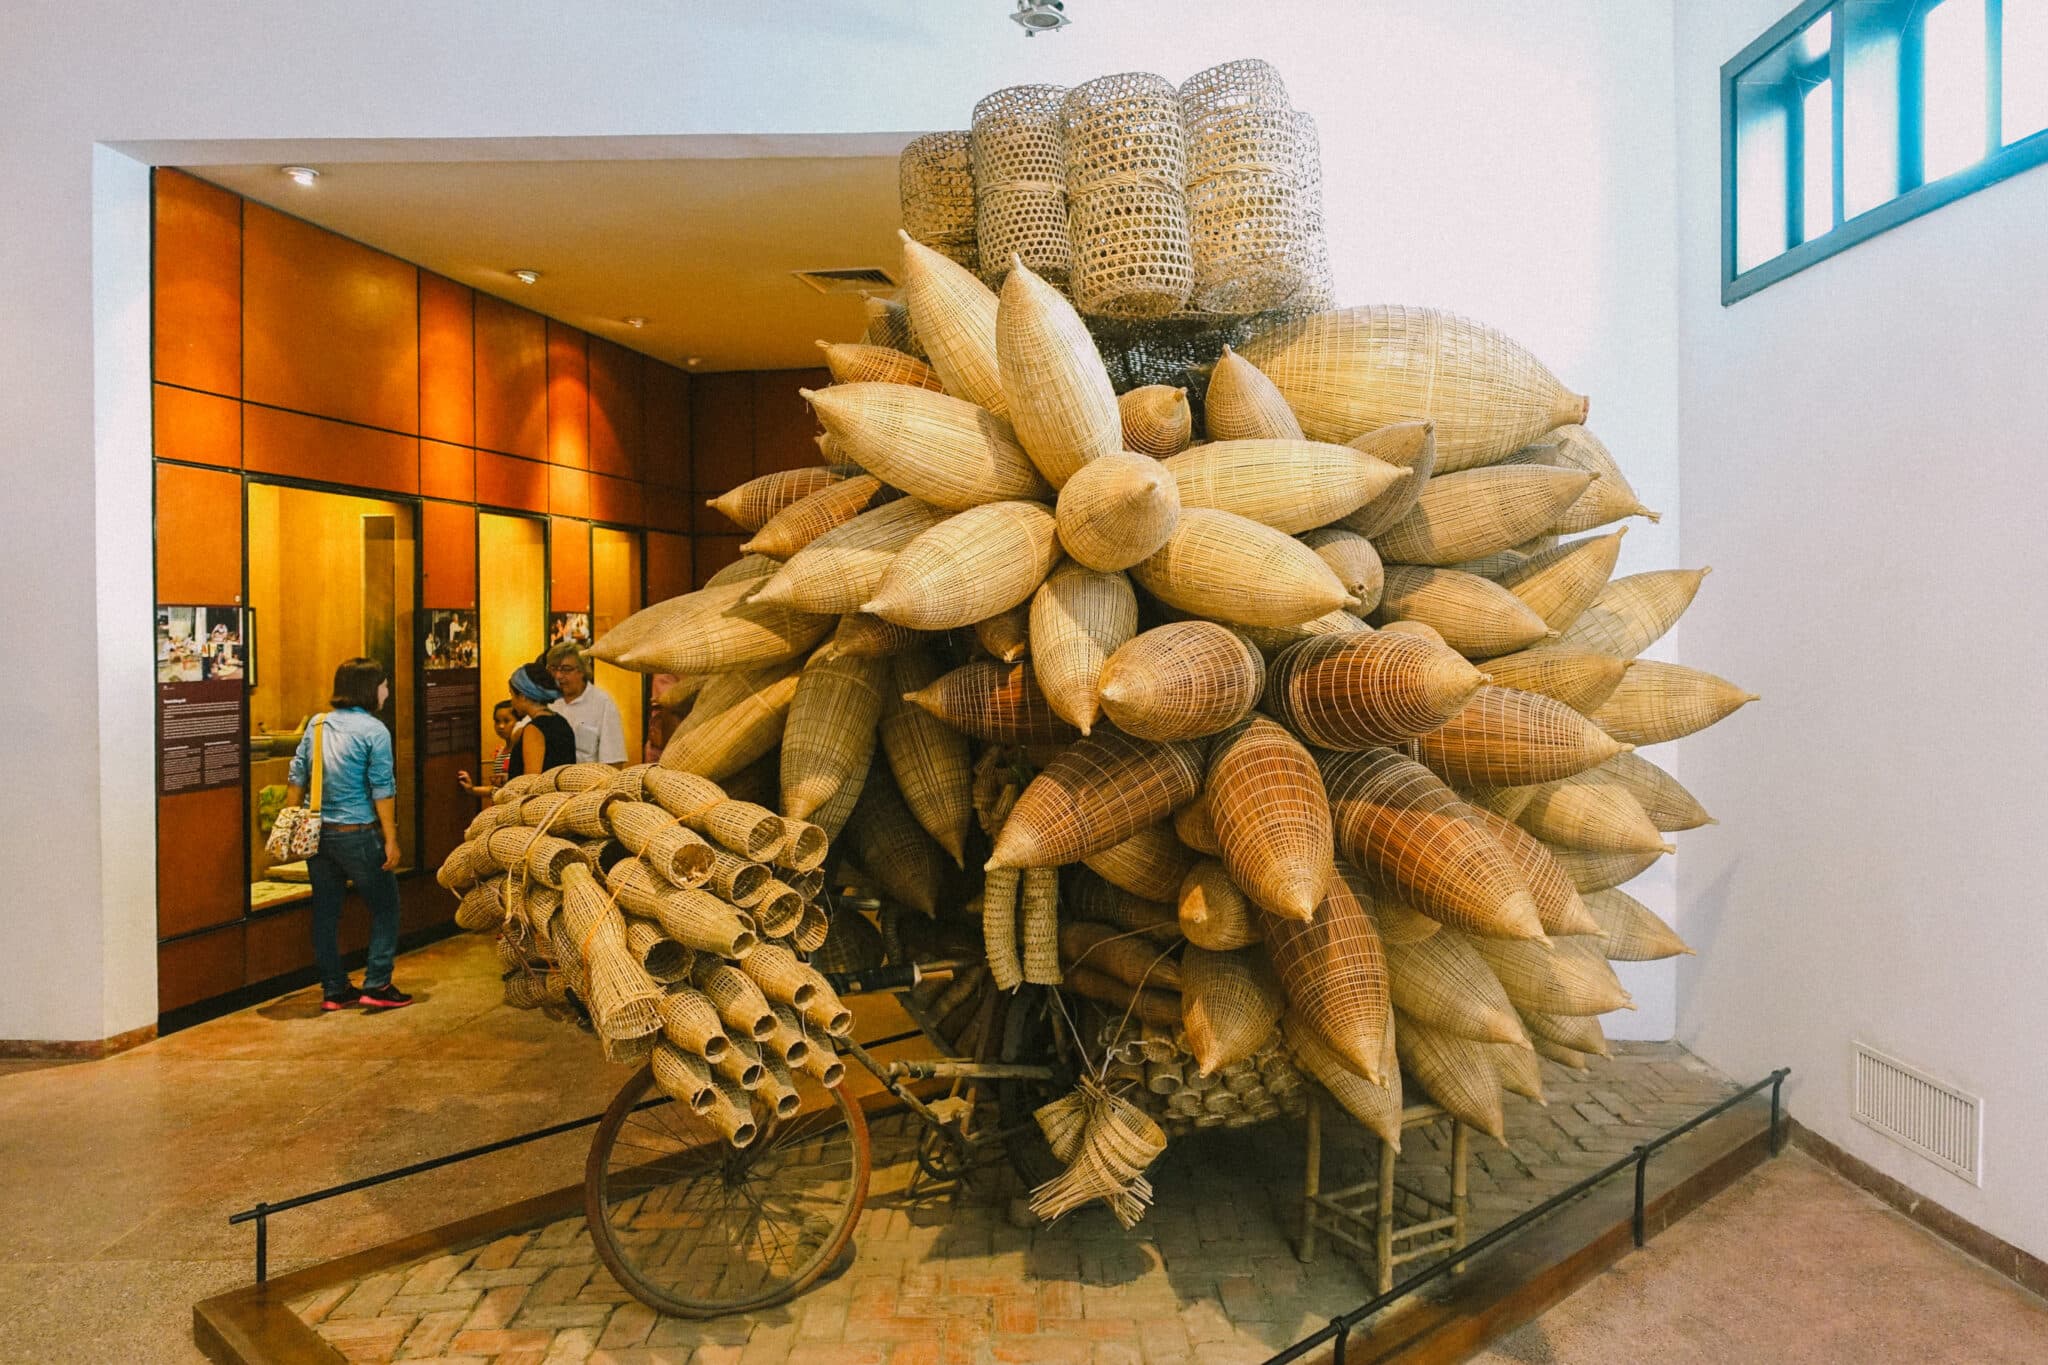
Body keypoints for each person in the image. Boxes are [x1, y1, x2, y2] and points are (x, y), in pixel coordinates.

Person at [284, 657, 410, 1012]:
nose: (387, 690)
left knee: (326, 912)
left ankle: (335, 989)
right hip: (358, 832)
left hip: (318, 836)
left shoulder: (317, 723)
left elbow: (297, 774)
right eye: (384, 684)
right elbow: (382, 788)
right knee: (386, 907)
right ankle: (378, 983)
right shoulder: (374, 730)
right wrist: (391, 837)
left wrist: (293, 820)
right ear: (370, 688)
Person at [547, 642, 627, 767]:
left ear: (582, 670)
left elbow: (614, 761)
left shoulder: (602, 703)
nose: (558, 676)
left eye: (566, 669)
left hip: (587, 783)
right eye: (554, 669)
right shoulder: (548, 702)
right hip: (549, 782)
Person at [505, 662, 577, 779]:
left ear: (523, 696)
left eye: (512, 695)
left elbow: (531, 780)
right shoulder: (561, 721)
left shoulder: (534, 729)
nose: (511, 702)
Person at [456, 700, 519, 800]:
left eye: (507, 721)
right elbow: (496, 789)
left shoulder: (521, 751)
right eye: (497, 721)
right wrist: (471, 789)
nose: (501, 726)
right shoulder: (500, 752)